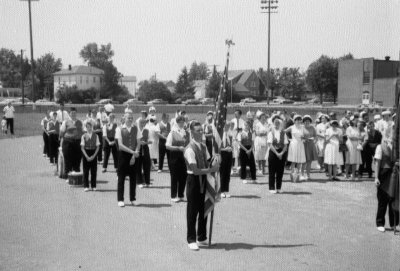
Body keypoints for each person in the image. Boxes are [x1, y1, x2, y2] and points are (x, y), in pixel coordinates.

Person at [184, 121, 219, 251]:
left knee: (203, 208)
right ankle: (191, 239)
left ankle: (202, 237)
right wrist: (211, 170)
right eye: (198, 130)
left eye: (201, 130)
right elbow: (195, 170)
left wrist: (216, 160)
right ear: (192, 132)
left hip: (205, 180)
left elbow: (208, 161)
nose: (201, 132)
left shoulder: (204, 146)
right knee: (192, 211)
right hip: (193, 180)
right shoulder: (189, 149)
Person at [115, 112, 141, 207]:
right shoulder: (119, 129)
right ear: (124, 119)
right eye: (128, 118)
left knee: (133, 178)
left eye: (131, 118)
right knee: (121, 178)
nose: (130, 120)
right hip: (123, 155)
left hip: (134, 155)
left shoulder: (136, 128)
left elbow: (138, 142)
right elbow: (120, 145)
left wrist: (134, 155)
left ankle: (132, 198)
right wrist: (132, 152)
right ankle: (120, 199)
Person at [374, 136, 399, 232]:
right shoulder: (380, 147)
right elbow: (377, 163)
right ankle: (380, 222)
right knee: (382, 200)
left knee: (394, 199)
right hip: (384, 174)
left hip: (395, 174)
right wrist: (376, 177)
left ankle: (394, 223)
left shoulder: (397, 147)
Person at [166, 115, 189, 202]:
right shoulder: (172, 132)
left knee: (183, 176)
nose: (182, 124)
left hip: (184, 156)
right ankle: (173, 195)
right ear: (177, 122)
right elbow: (167, 146)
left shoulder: (186, 132)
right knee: (174, 176)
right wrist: (177, 148)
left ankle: (180, 194)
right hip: (174, 156)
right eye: (180, 122)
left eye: (183, 122)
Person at [59, 107, 84, 179]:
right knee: (68, 159)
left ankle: (76, 175)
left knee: (77, 159)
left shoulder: (80, 122)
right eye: (72, 113)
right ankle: (67, 176)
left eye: (74, 113)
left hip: (78, 143)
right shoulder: (65, 122)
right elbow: (61, 132)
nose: (73, 114)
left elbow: (83, 131)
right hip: (68, 142)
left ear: (76, 113)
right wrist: (62, 141)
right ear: (69, 114)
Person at [267, 115, 288, 193]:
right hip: (273, 152)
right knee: (272, 171)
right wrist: (277, 153)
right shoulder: (271, 132)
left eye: (278, 122)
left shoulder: (283, 132)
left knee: (280, 171)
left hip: (281, 152)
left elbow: (286, 144)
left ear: (280, 123)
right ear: (273, 123)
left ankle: (279, 187)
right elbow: (270, 144)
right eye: (275, 122)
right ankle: (271, 188)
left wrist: (281, 153)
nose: (276, 124)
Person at [285, 115, 306, 182]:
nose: (298, 121)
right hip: (293, 144)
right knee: (293, 161)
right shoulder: (291, 127)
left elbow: (307, 135)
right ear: (294, 121)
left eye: (299, 120)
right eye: (296, 120)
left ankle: (297, 175)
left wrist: (304, 138)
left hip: (300, 144)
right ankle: (292, 175)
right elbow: (283, 132)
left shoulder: (302, 127)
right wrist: (288, 139)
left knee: (299, 161)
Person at [81, 121, 100, 192]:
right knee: (86, 171)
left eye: (90, 127)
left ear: (92, 127)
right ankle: (86, 186)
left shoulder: (96, 136)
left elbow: (98, 147)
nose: (89, 128)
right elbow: (82, 148)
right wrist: (86, 156)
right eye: (88, 127)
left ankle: (93, 185)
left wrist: (94, 156)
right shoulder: (83, 136)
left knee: (93, 171)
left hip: (93, 152)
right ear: (86, 128)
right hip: (86, 152)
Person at [301, 115, 318, 181]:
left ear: (310, 122)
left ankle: (308, 175)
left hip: (311, 145)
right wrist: (304, 140)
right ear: (303, 122)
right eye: (305, 121)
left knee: (309, 161)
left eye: (308, 121)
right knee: (303, 161)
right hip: (304, 145)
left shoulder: (312, 128)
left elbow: (315, 136)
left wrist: (315, 141)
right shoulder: (301, 128)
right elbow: (300, 137)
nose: (307, 122)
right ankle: (302, 175)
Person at [136, 118, 152, 188]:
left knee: (147, 165)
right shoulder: (136, 130)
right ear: (138, 123)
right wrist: (139, 142)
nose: (142, 124)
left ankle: (147, 181)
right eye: (141, 123)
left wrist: (146, 142)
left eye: (144, 123)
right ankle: (139, 182)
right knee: (138, 165)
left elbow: (151, 140)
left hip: (145, 147)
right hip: (138, 147)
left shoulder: (147, 130)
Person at [220, 122, 233, 198]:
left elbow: (231, 144)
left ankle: (226, 190)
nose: (227, 127)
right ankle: (221, 190)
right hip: (222, 153)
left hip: (229, 154)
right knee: (222, 172)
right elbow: (217, 147)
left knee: (227, 173)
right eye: (226, 126)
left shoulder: (229, 134)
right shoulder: (220, 135)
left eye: (228, 126)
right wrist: (224, 149)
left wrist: (230, 148)